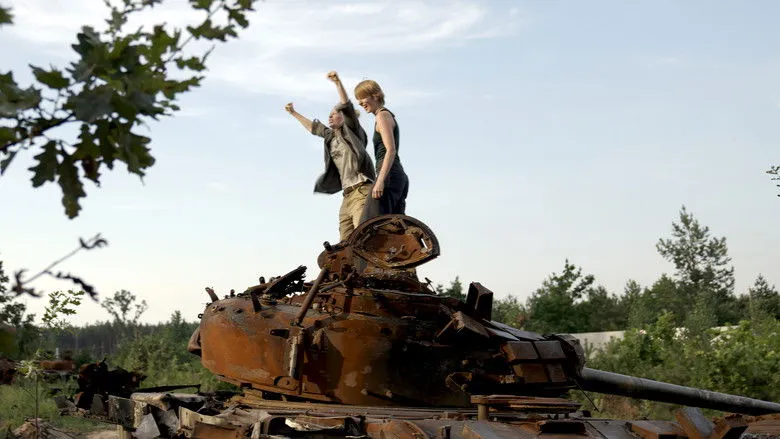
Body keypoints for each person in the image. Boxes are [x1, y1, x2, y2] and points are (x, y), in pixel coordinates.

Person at [285, 71, 376, 242]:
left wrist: (337, 83)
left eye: (334, 113)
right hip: (347, 197)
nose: (330, 116)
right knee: (345, 244)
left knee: (363, 237)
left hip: (362, 191)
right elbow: (313, 128)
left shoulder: (352, 131)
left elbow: (346, 105)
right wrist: (293, 113)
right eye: (330, 113)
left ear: (344, 117)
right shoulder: (330, 136)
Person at [353, 79, 409, 220]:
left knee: (368, 224)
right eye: (358, 100)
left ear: (375, 95)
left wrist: (380, 181)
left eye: (362, 98)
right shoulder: (385, 115)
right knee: (393, 225)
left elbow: (391, 150)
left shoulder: (382, 115)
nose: (360, 103)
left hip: (389, 175)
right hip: (396, 175)